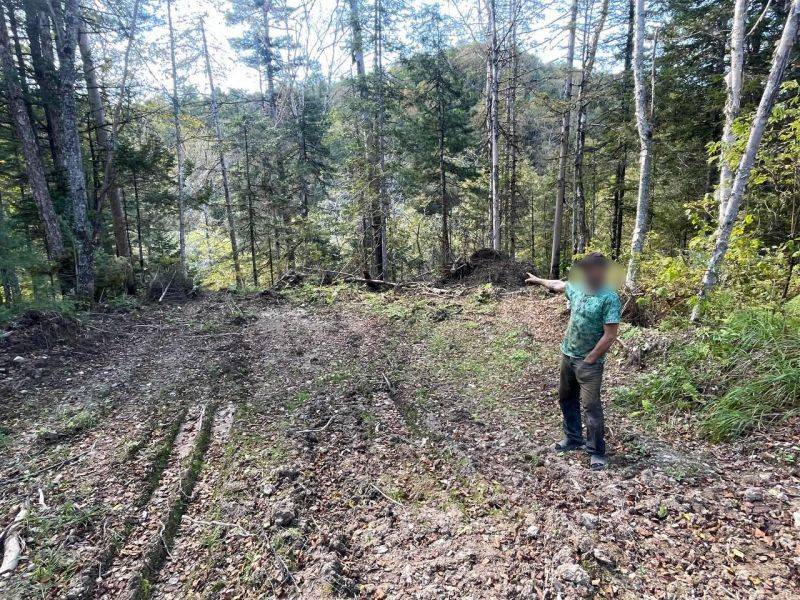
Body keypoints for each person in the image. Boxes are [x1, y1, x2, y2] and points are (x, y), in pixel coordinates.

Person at [525, 252, 621, 471]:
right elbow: (559, 284)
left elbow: (610, 335)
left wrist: (590, 359)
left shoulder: (609, 297)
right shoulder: (577, 288)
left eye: (591, 269)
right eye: (584, 269)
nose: (586, 273)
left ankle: (596, 452)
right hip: (567, 355)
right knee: (566, 398)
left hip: (589, 364)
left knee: (591, 407)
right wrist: (539, 280)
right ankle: (573, 438)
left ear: (601, 271)